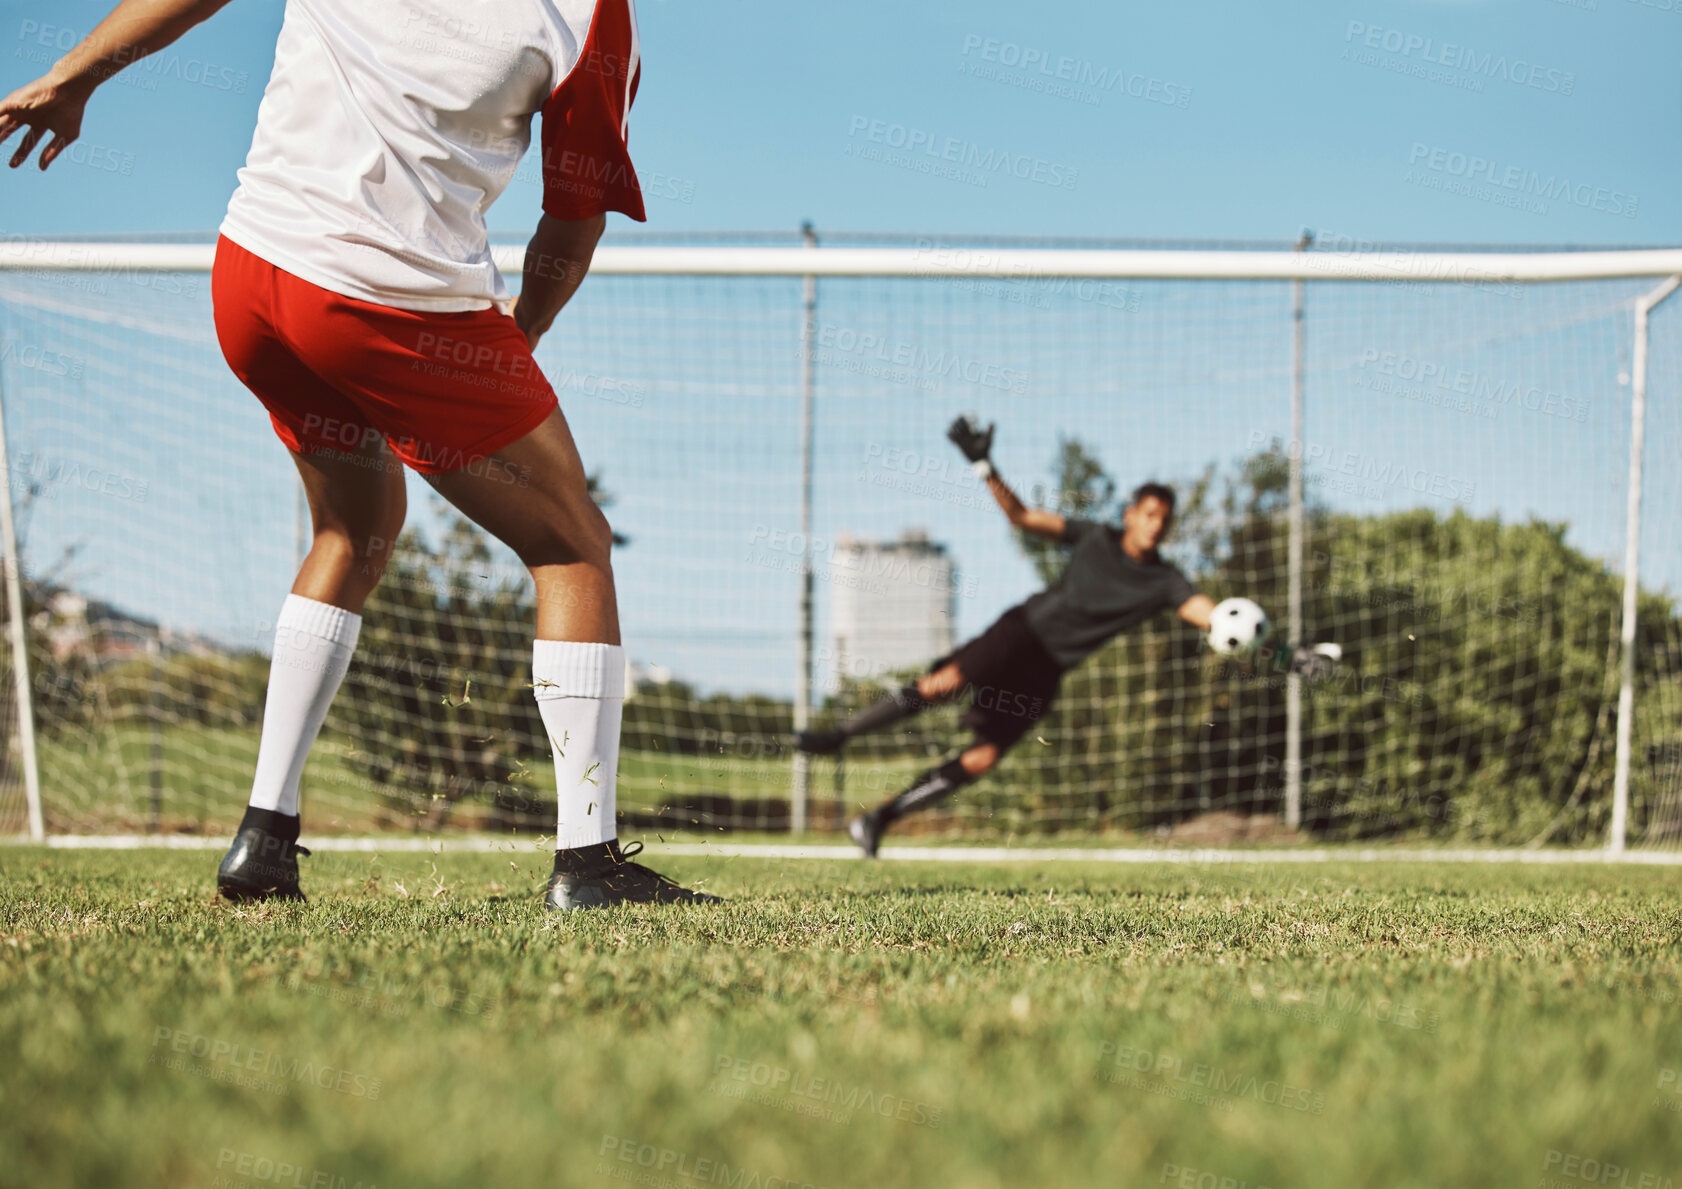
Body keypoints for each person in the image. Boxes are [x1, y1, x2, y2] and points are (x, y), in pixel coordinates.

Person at [1, 0, 719, 909]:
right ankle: (589, 862)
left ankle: (264, 836)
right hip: (387, 303)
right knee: (571, 542)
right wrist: (508, 347)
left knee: (357, 529)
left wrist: (75, 77)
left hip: (252, 279)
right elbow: (572, 224)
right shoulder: (591, 16)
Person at [799, 416, 1220, 857]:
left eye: (1165, 520)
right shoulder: (1095, 537)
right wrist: (985, 465)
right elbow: (1021, 517)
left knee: (984, 756)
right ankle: (838, 737)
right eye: (1149, 515)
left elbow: (1213, 616)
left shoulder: (1165, 581)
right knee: (943, 683)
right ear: (1131, 515)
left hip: (1048, 669)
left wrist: (1272, 645)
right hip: (1020, 632)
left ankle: (877, 819)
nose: (1156, 526)